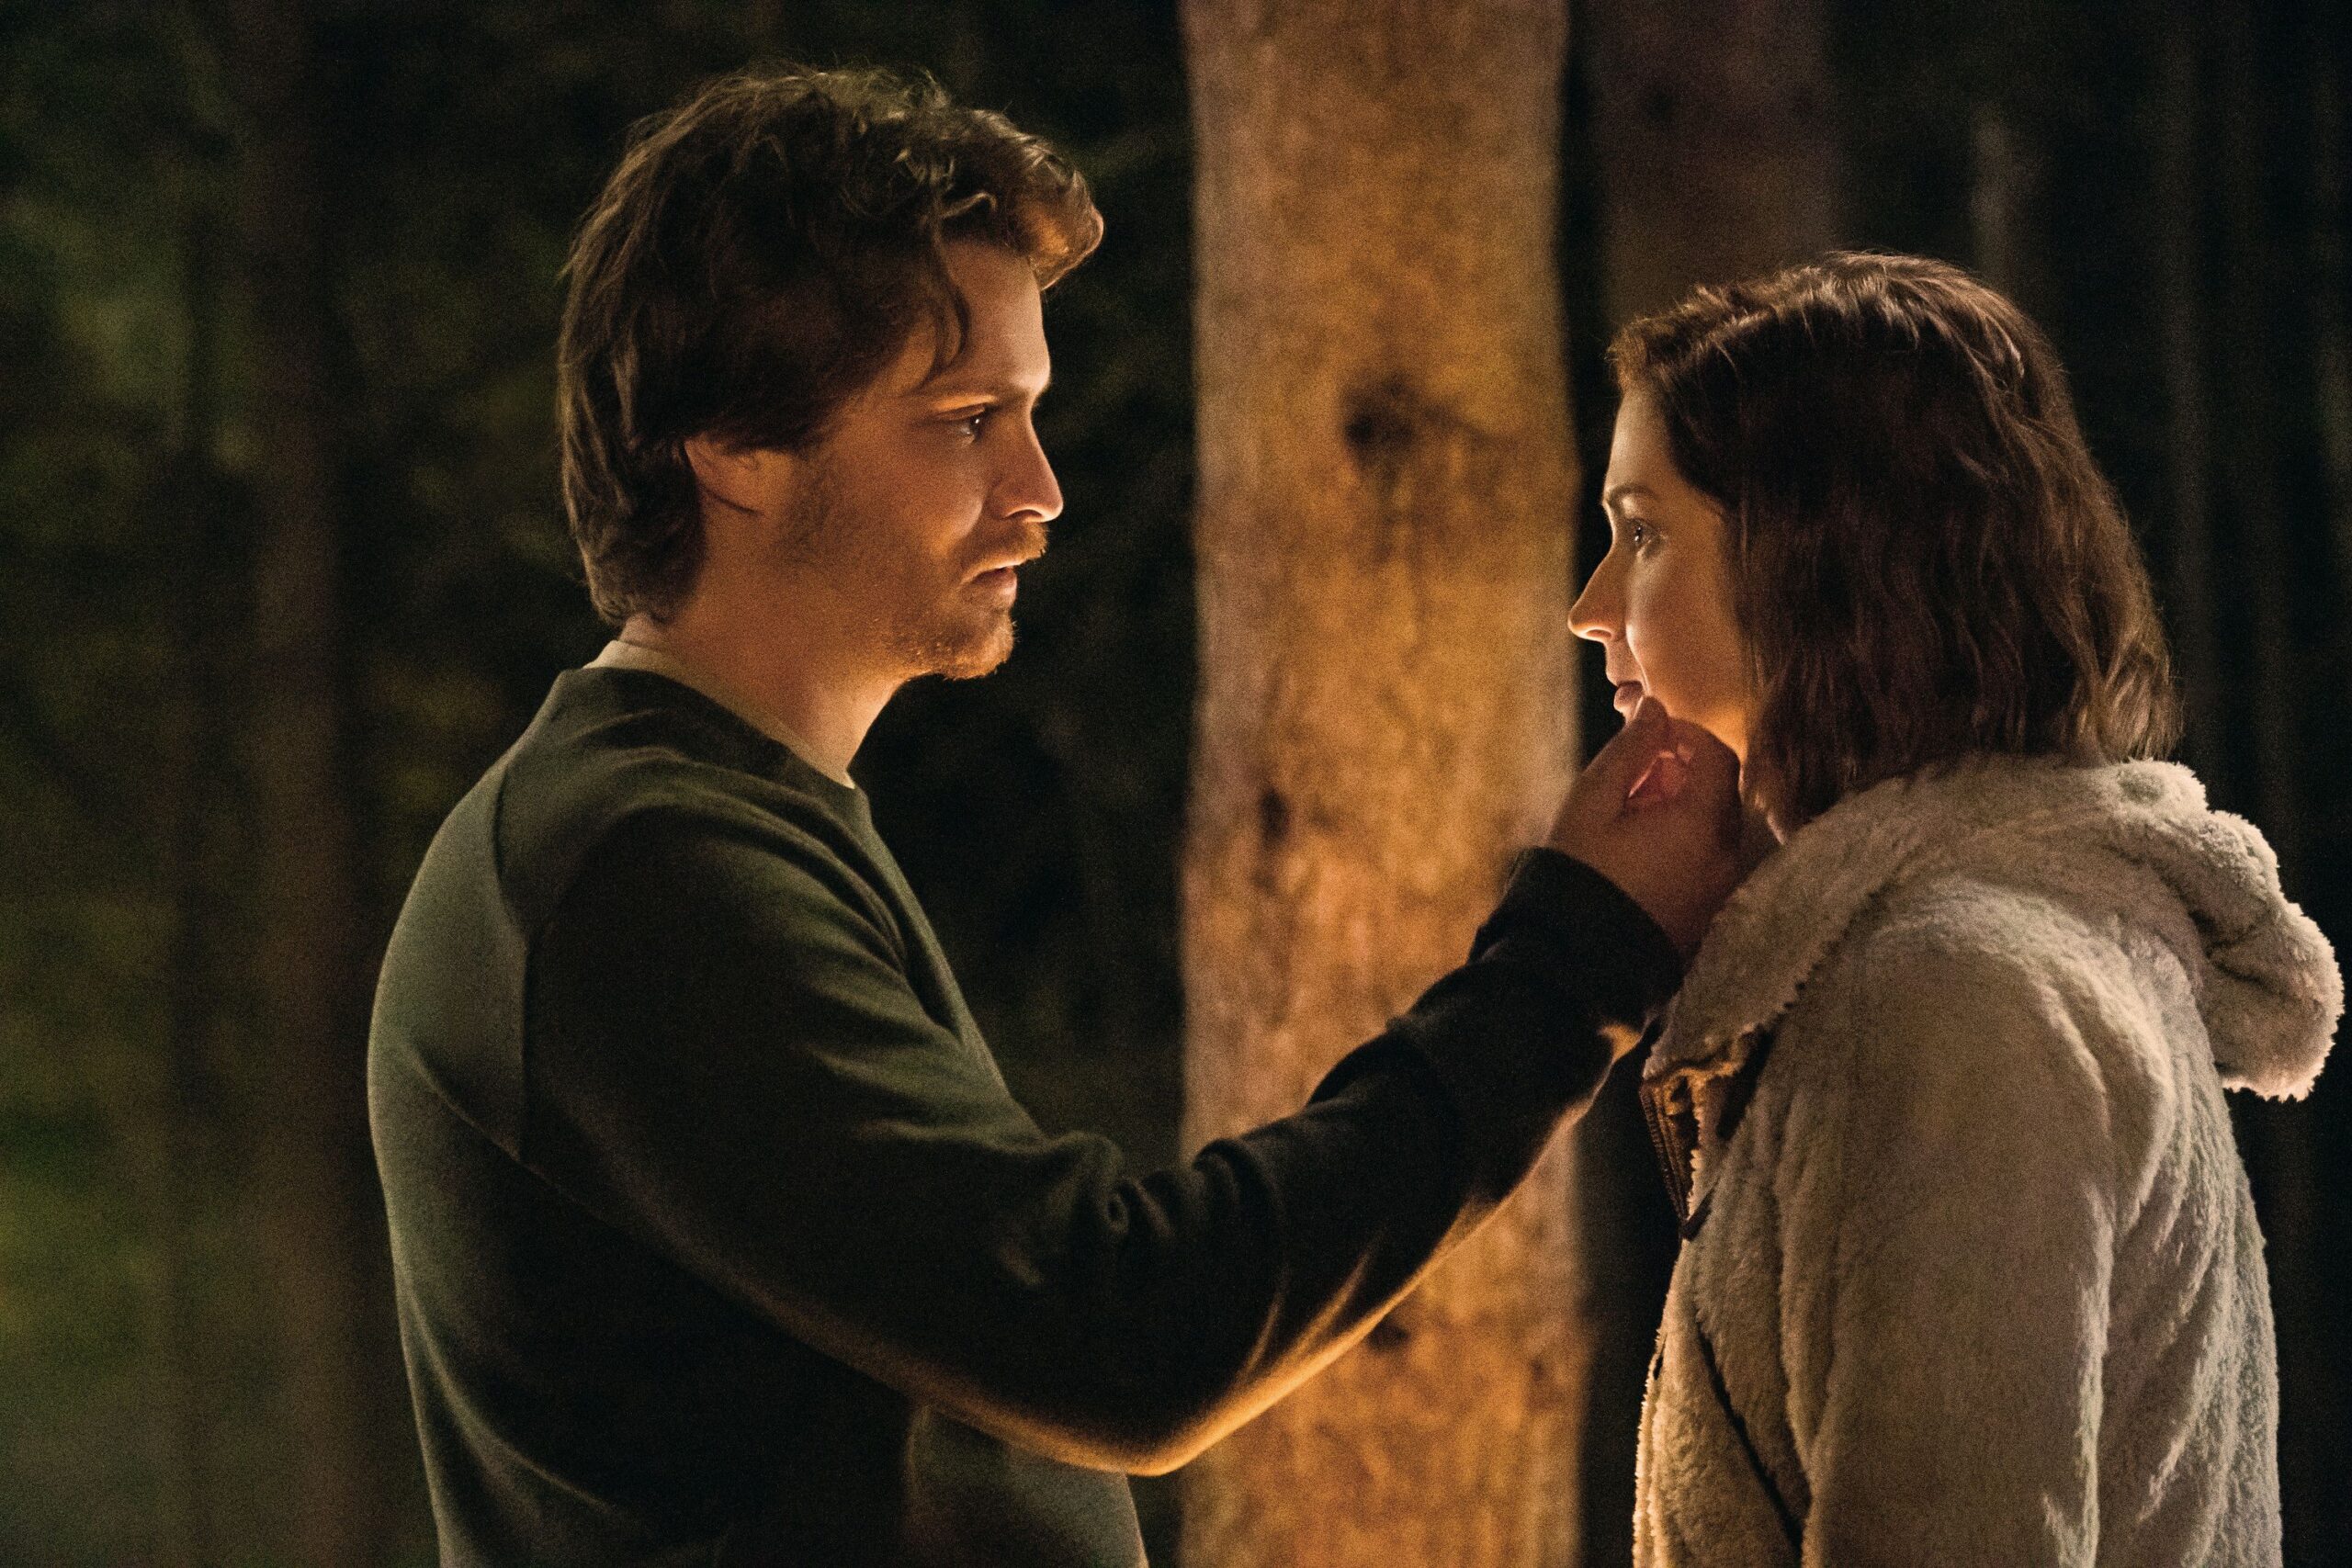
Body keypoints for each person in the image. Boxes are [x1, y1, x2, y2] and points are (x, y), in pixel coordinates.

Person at [368, 64, 1747, 1566]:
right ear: (733, 445)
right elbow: (1120, 1335)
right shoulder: (635, 870)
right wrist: (1571, 964)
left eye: (1028, 415)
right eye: (967, 421)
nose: (1041, 490)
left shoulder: (703, 829)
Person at [1568, 251, 2342, 1566]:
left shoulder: (1956, 1000)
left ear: (1820, 560)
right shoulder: (1972, 956)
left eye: (1644, 535)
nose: (1589, 610)